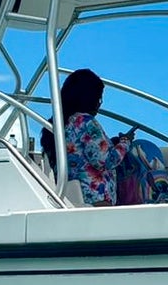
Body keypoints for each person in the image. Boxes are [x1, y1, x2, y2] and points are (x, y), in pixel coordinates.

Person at [40, 68, 134, 206]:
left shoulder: (56, 125)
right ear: (89, 97)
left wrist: (112, 143)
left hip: (72, 198)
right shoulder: (85, 122)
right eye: (99, 97)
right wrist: (126, 142)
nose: (99, 103)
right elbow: (106, 160)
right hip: (96, 200)